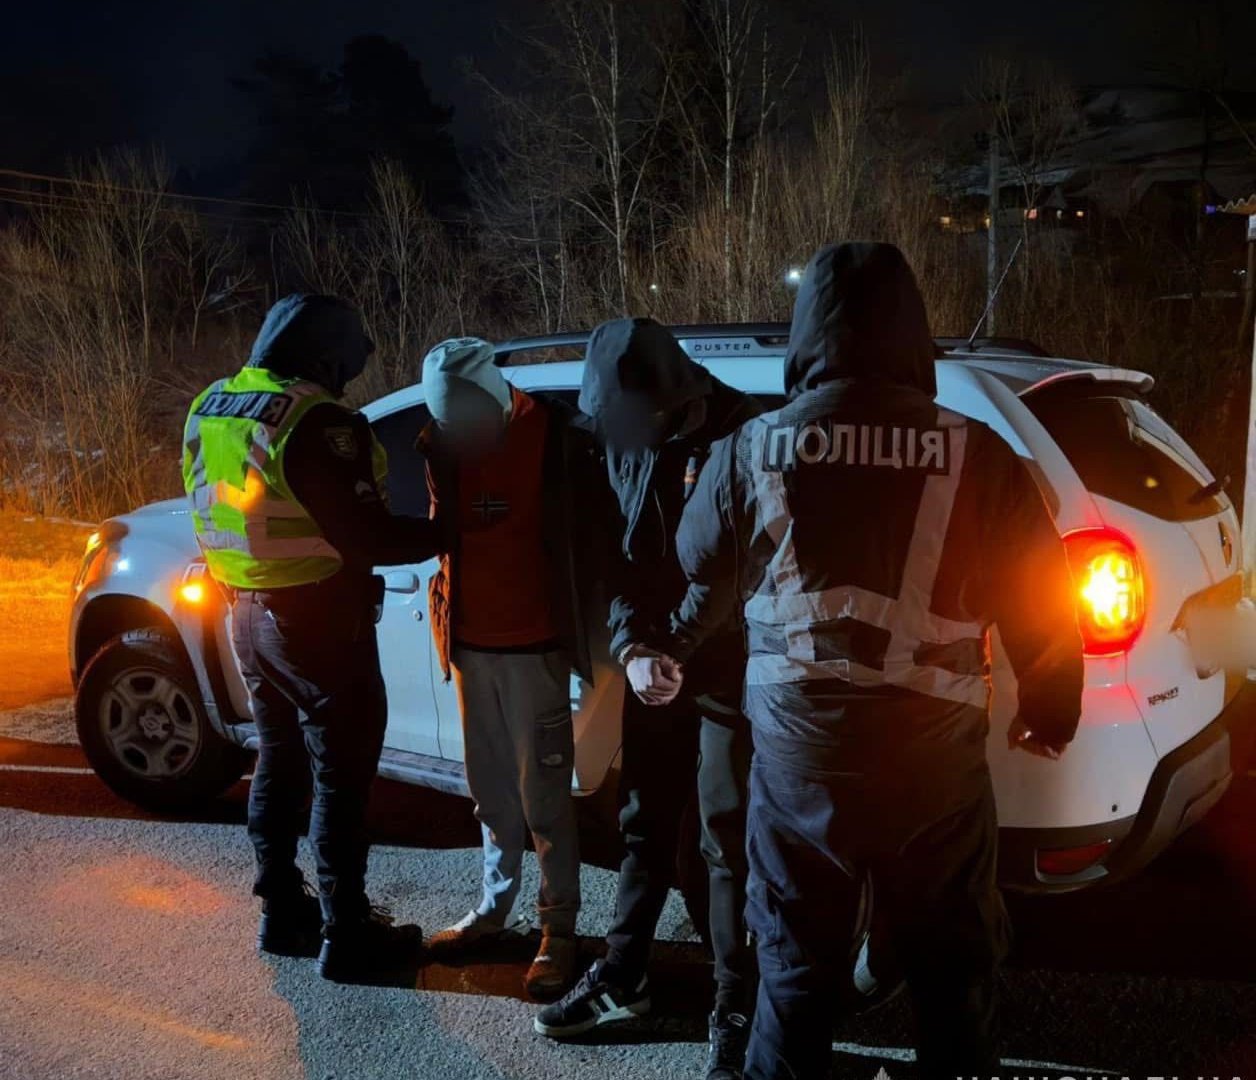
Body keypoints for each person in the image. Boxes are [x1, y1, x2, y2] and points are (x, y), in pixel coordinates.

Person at [664, 243, 1085, 1080]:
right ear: (911, 333)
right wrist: (1051, 710)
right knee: (950, 974)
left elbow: (696, 556)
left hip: (799, 761)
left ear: (805, 336)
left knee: (793, 972)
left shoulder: (751, 448)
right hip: (932, 763)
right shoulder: (976, 451)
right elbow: (1045, 596)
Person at [182, 293, 439, 982]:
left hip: (246, 614)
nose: (349, 378)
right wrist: (461, 530)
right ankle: (347, 932)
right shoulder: (316, 419)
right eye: (347, 363)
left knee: (278, 758)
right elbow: (370, 537)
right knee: (339, 778)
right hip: (318, 622)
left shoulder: (212, 404)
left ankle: (281, 911)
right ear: (324, 355)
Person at [535, 317, 763, 1080]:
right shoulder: (622, 435)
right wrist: (634, 648)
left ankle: (736, 1007)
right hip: (655, 661)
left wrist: (675, 650)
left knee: (725, 840)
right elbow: (615, 552)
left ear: (673, 397)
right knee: (643, 823)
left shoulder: (743, 432)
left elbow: (735, 567)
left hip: (728, 663)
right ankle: (624, 976)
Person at [419, 338, 600, 999]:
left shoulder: (559, 435)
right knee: (491, 794)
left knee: (544, 801)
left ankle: (559, 929)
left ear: (495, 399)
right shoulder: (440, 442)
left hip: (536, 649)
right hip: (470, 645)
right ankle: (494, 910)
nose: (460, 433)